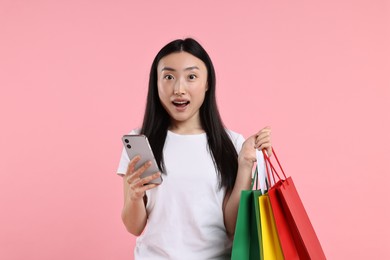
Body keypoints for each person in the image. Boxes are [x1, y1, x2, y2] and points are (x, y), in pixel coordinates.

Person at [116, 38, 272, 259]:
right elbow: (134, 227)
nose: (179, 89)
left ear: (207, 83)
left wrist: (246, 164)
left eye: (191, 77)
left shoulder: (232, 143)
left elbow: (233, 227)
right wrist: (133, 198)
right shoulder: (140, 141)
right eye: (169, 77)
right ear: (156, 83)